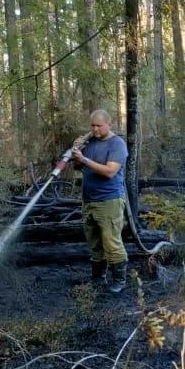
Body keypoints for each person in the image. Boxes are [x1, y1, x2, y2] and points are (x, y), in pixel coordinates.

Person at [72, 110, 130, 292]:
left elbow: (110, 172)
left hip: (109, 200)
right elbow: (77, 167)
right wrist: (77, 151)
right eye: (92, 125)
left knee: (112, 242)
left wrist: (84, 159)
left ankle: (119, 281)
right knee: (94, 243)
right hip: (88, 200)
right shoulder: (89, 142)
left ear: (109, 125)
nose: (95, 129)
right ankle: (98, 279)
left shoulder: (117, 144)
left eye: (99, 125)